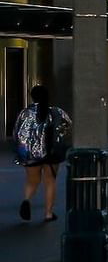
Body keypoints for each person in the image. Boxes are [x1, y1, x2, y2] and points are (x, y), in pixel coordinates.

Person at [13, 85, 70, 222]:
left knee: (32, 181)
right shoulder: (56, 112)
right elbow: (67, 125)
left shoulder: (25, 113)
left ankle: (26, 200)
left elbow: (17, 132)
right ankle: (48, 214)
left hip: (30, 154)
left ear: (32, 96)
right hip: (51, 154)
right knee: (50, 181)